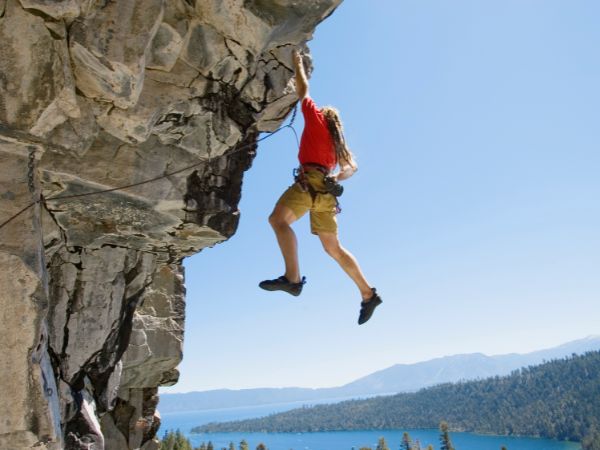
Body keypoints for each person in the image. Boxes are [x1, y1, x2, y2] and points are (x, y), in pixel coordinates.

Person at [258, 51, 382, 325]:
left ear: (324, 116)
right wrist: (337, 179)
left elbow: (304, 91)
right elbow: (352, 167)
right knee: (333, 248)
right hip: (326, 191)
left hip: (308, 183)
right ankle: (367, 293)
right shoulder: (338, 145)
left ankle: (293, 278)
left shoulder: (315, 119)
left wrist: (297, 64)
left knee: (278, 221)